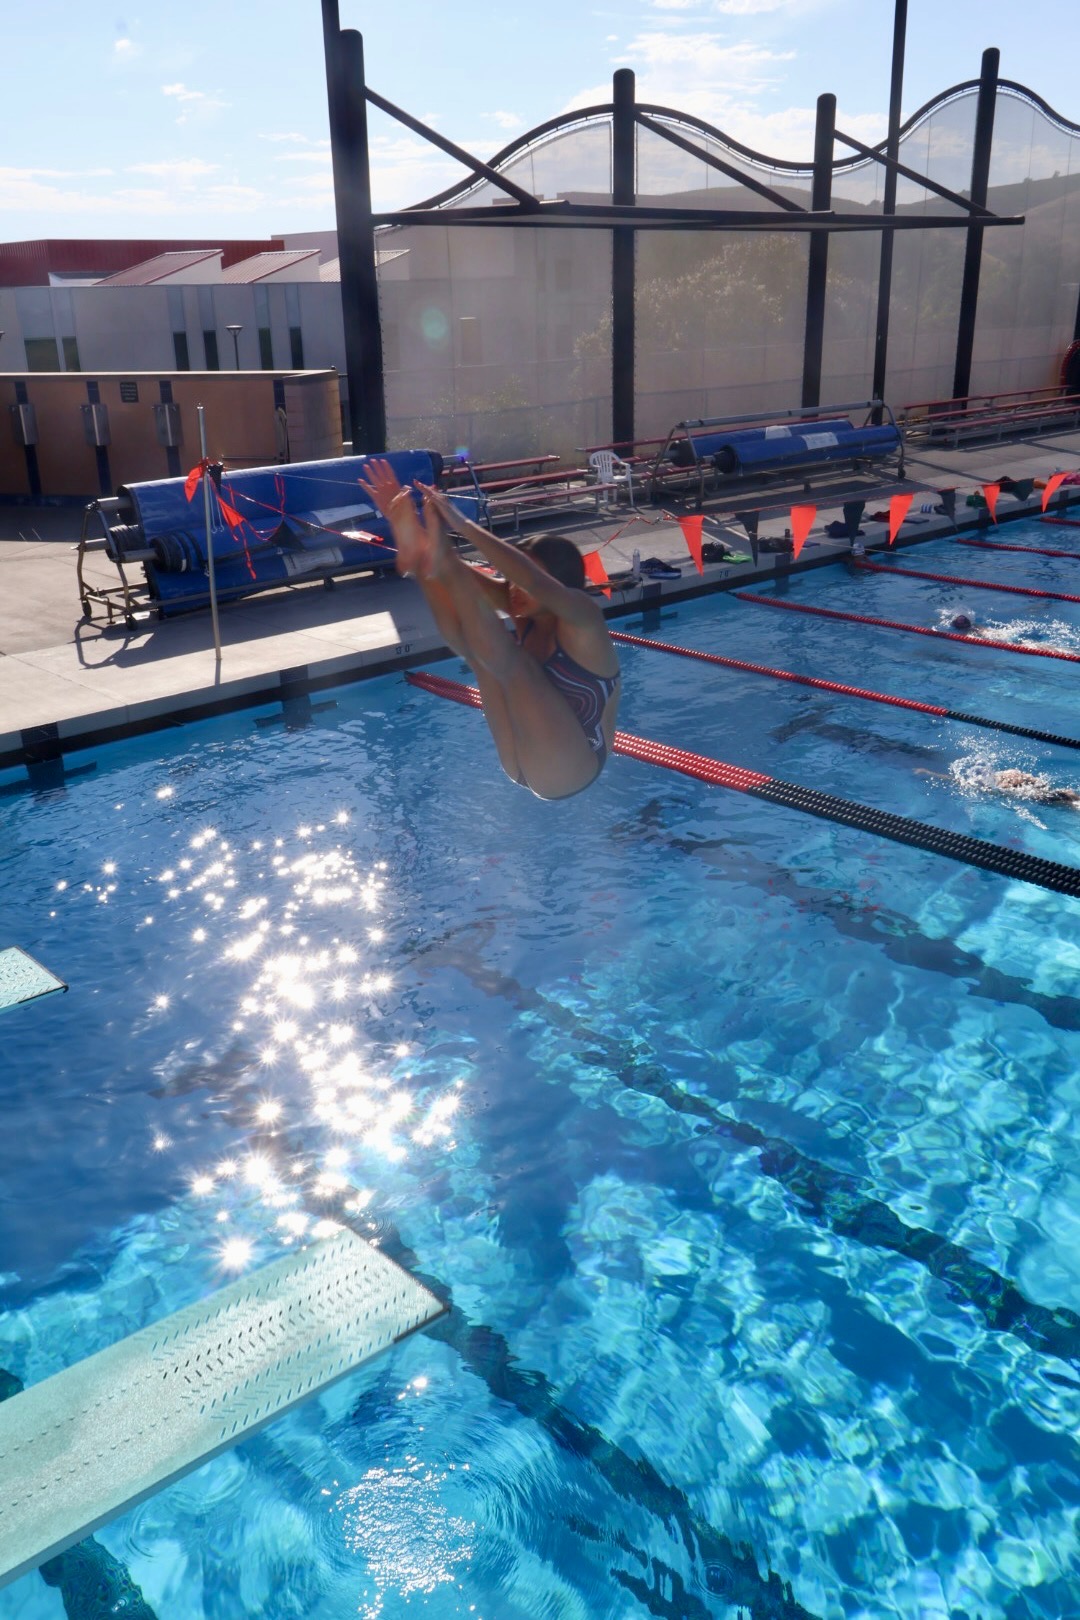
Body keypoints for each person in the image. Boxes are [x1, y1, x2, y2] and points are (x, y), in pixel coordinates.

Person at [359, 461, 620, 800]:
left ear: (555, 585)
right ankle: (420, 569)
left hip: (571, 768)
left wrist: (462, 524)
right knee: (478, 652)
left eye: (520, 580)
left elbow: (530, 579)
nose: (513, 588)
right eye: (509, 580)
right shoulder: (524, 605)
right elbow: (458, 574)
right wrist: (410, 529)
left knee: (513, 662)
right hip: (520, 762)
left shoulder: (585, 620)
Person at [916, 764, 1080, 806]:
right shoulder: (1004, 775)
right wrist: (930, 772)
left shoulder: (997, 789)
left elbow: (960, 782)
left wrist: (930, 773)